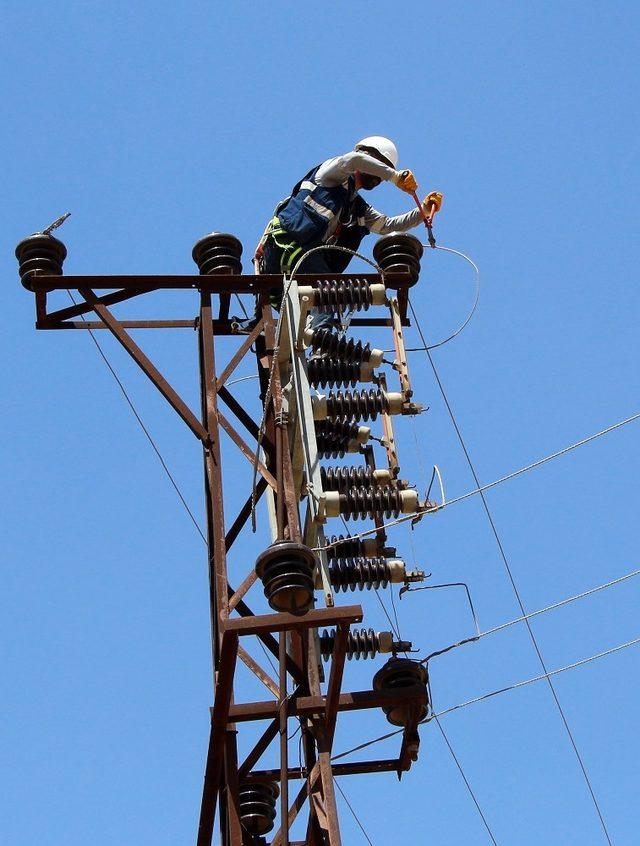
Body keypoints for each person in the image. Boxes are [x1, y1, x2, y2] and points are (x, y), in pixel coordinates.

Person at [255, 136, 440, 328]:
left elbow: (387, 225)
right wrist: (394, 176)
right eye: (379, 165)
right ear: (365, 157)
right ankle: (323, 346)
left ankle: (313, 339)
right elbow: (353, 160)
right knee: (328, 294)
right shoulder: (331, 173)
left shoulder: (358, 208)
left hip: (296, 267)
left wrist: (423, 211)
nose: (380, 177)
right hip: (284, 244)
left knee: (323, 300)